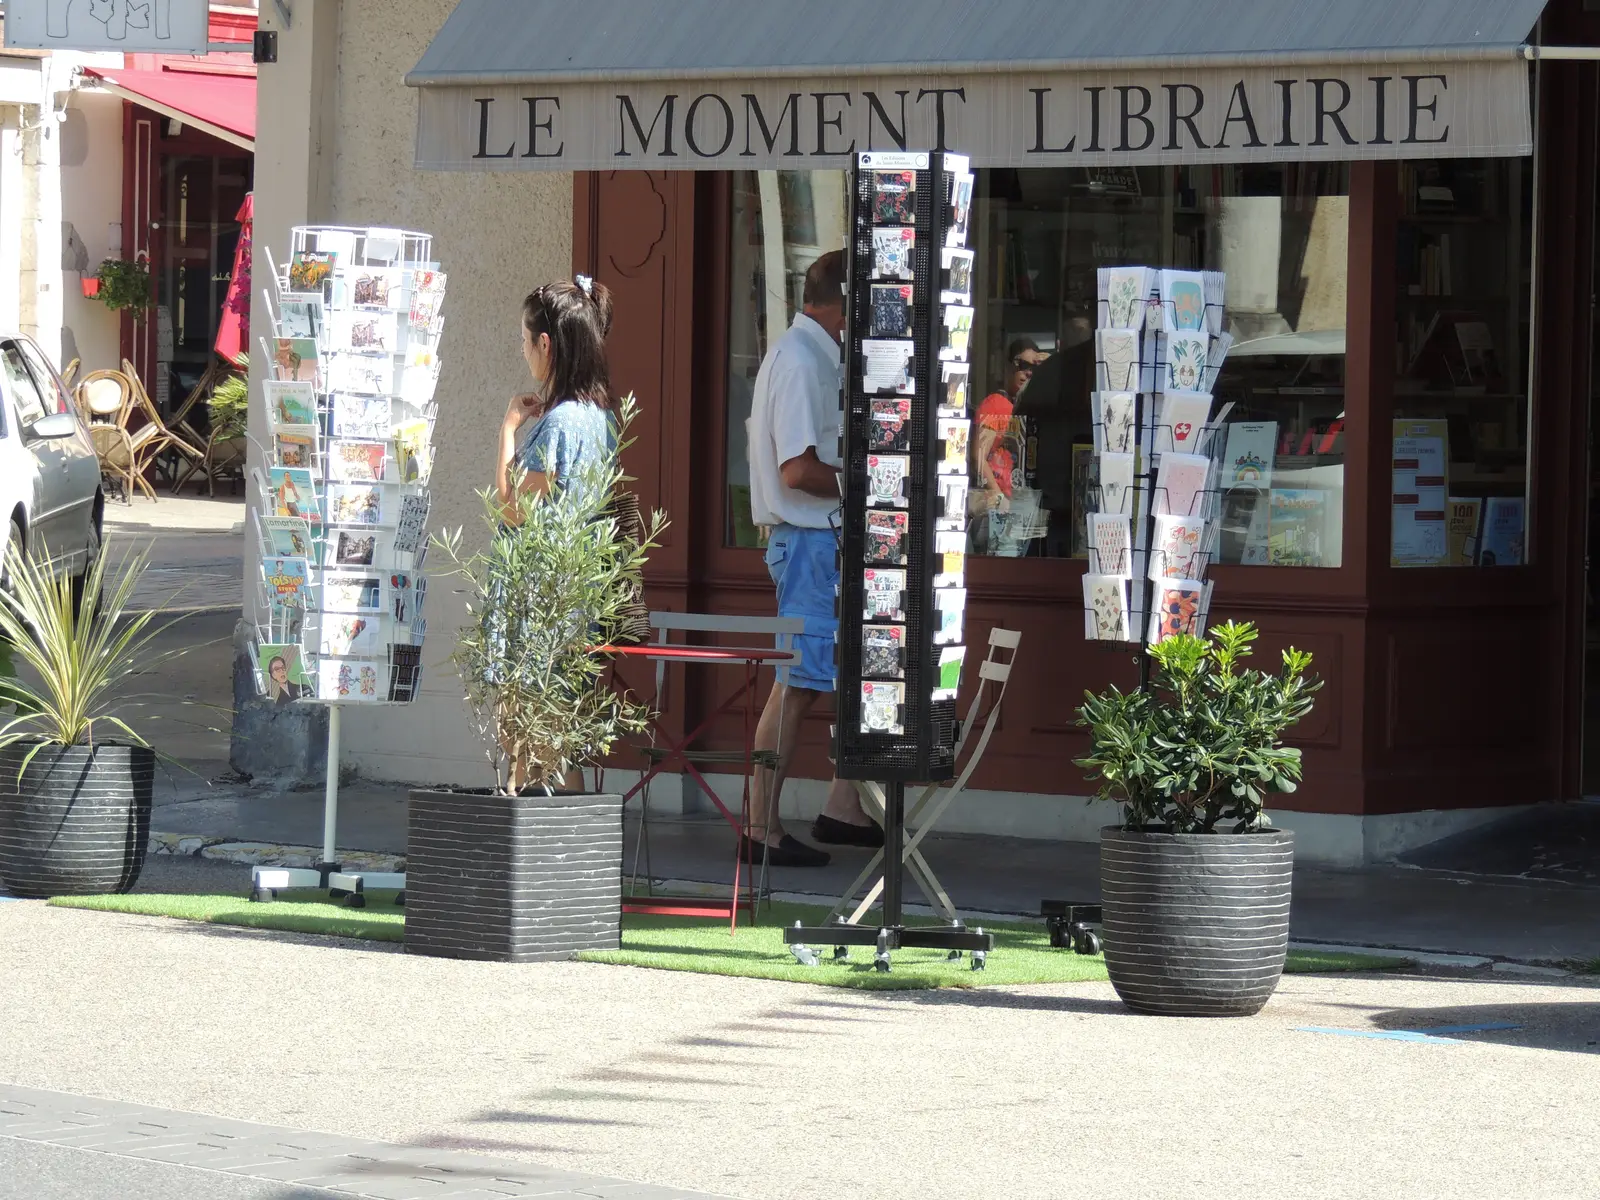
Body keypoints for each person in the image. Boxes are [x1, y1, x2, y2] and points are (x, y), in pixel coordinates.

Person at [746, 250, 881, 869]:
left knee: (839, 673)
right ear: (844, 305)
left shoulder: (810, 355)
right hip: (807, 540)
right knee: (798, 686)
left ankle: (839, 805)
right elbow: (797, 469)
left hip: (816, 541)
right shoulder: (802, 362)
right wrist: (870, 479)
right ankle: (760, 827)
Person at [492, 274, 619, 790]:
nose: (524, 352)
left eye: (526, 340)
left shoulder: (560, 422)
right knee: (554, 733)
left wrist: (506, 430)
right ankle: (557, 855)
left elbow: (512, 508)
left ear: (546, 343)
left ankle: (542, 855)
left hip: (540, 596)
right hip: (575, 592)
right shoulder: (600, 417)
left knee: (526, 732)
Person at [971, 339, 1048, 554]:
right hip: (1000, 514)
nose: (1028, 373)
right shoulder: (996, 404)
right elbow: (978, 456)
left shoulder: (1023, 408)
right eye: (1021, 365)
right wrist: (999, 498)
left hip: (1017, 511)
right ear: (1008, 366)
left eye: (1034, 367)